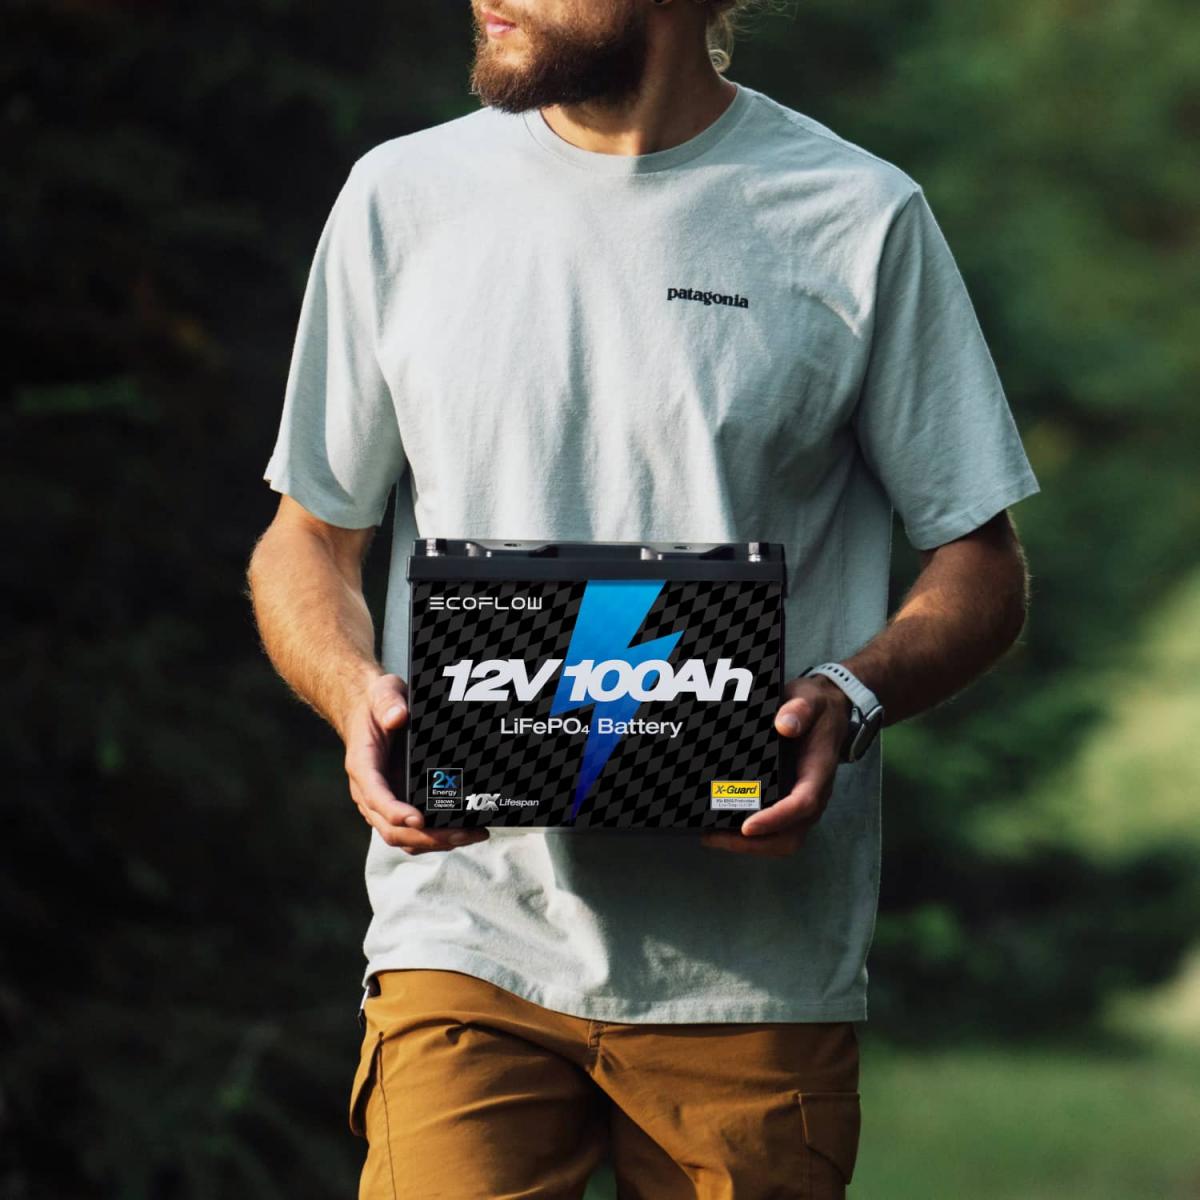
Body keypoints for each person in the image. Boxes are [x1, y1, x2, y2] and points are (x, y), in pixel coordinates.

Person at [247, 0, 1041, 1195]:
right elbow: (308, 536)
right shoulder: (400, 199)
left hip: (756, 970)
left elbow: (982, 565)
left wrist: (849, 697)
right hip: (464, 936)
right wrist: (351, 692)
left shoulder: (858, 214)